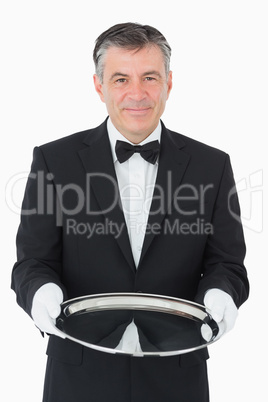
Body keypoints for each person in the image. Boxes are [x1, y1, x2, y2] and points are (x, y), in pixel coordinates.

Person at [11, 22, 249, 402]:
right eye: (120, 79)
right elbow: (32, 262)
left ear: (169, 83)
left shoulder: (212, 165)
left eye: (150, 77)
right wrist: (41, 294)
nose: (136, 94)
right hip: (79, 377)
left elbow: (227, 264)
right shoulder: (53, 160)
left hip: (177, 376)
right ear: (98, 85)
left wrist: (222, 293)